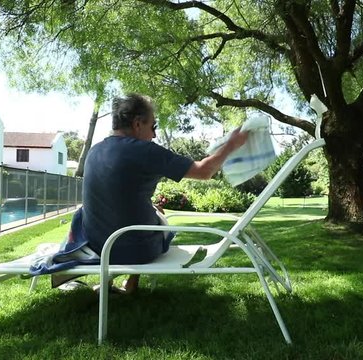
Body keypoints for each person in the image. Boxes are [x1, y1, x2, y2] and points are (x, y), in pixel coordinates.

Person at [80, 93, 248, 293]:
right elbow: (204, 171)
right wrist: (232, 144)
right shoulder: (145, 150)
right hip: (135, 250)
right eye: (153, 126)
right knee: (159, 218)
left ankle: (108, 283)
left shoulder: (94, 151)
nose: (154, 135)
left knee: (142, 213)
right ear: (137, 124)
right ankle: (131, 283)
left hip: (98, 248)